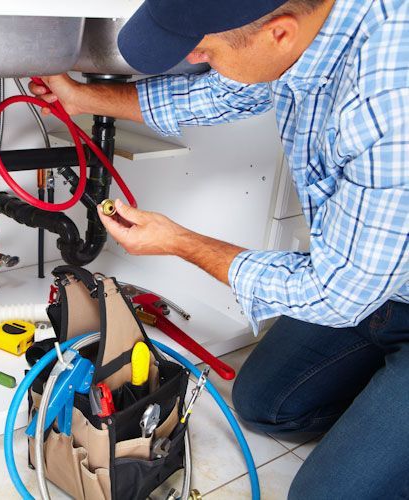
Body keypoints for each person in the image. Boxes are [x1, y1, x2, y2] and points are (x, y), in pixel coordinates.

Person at [29, 0, 409, 497]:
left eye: (205, 50)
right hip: (381, 285)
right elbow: (216, 94)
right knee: (264, 406)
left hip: (359, 288)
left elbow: (337, 293)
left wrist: (179, 242)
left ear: (279, 34)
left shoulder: (387, 105)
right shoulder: (306, 32)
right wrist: (81, 98)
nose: (196, 59)